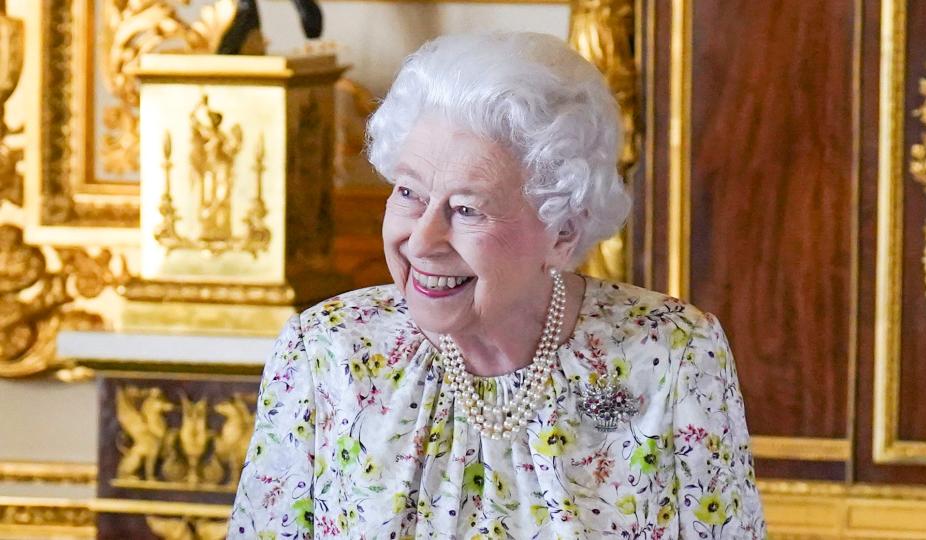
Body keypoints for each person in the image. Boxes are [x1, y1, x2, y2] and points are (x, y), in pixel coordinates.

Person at [228, 32, 766, 539]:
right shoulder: (327, 353)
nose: (421, 241)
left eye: (466, 209)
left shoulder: (672, 355)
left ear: (562, 231)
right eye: (409, 194)